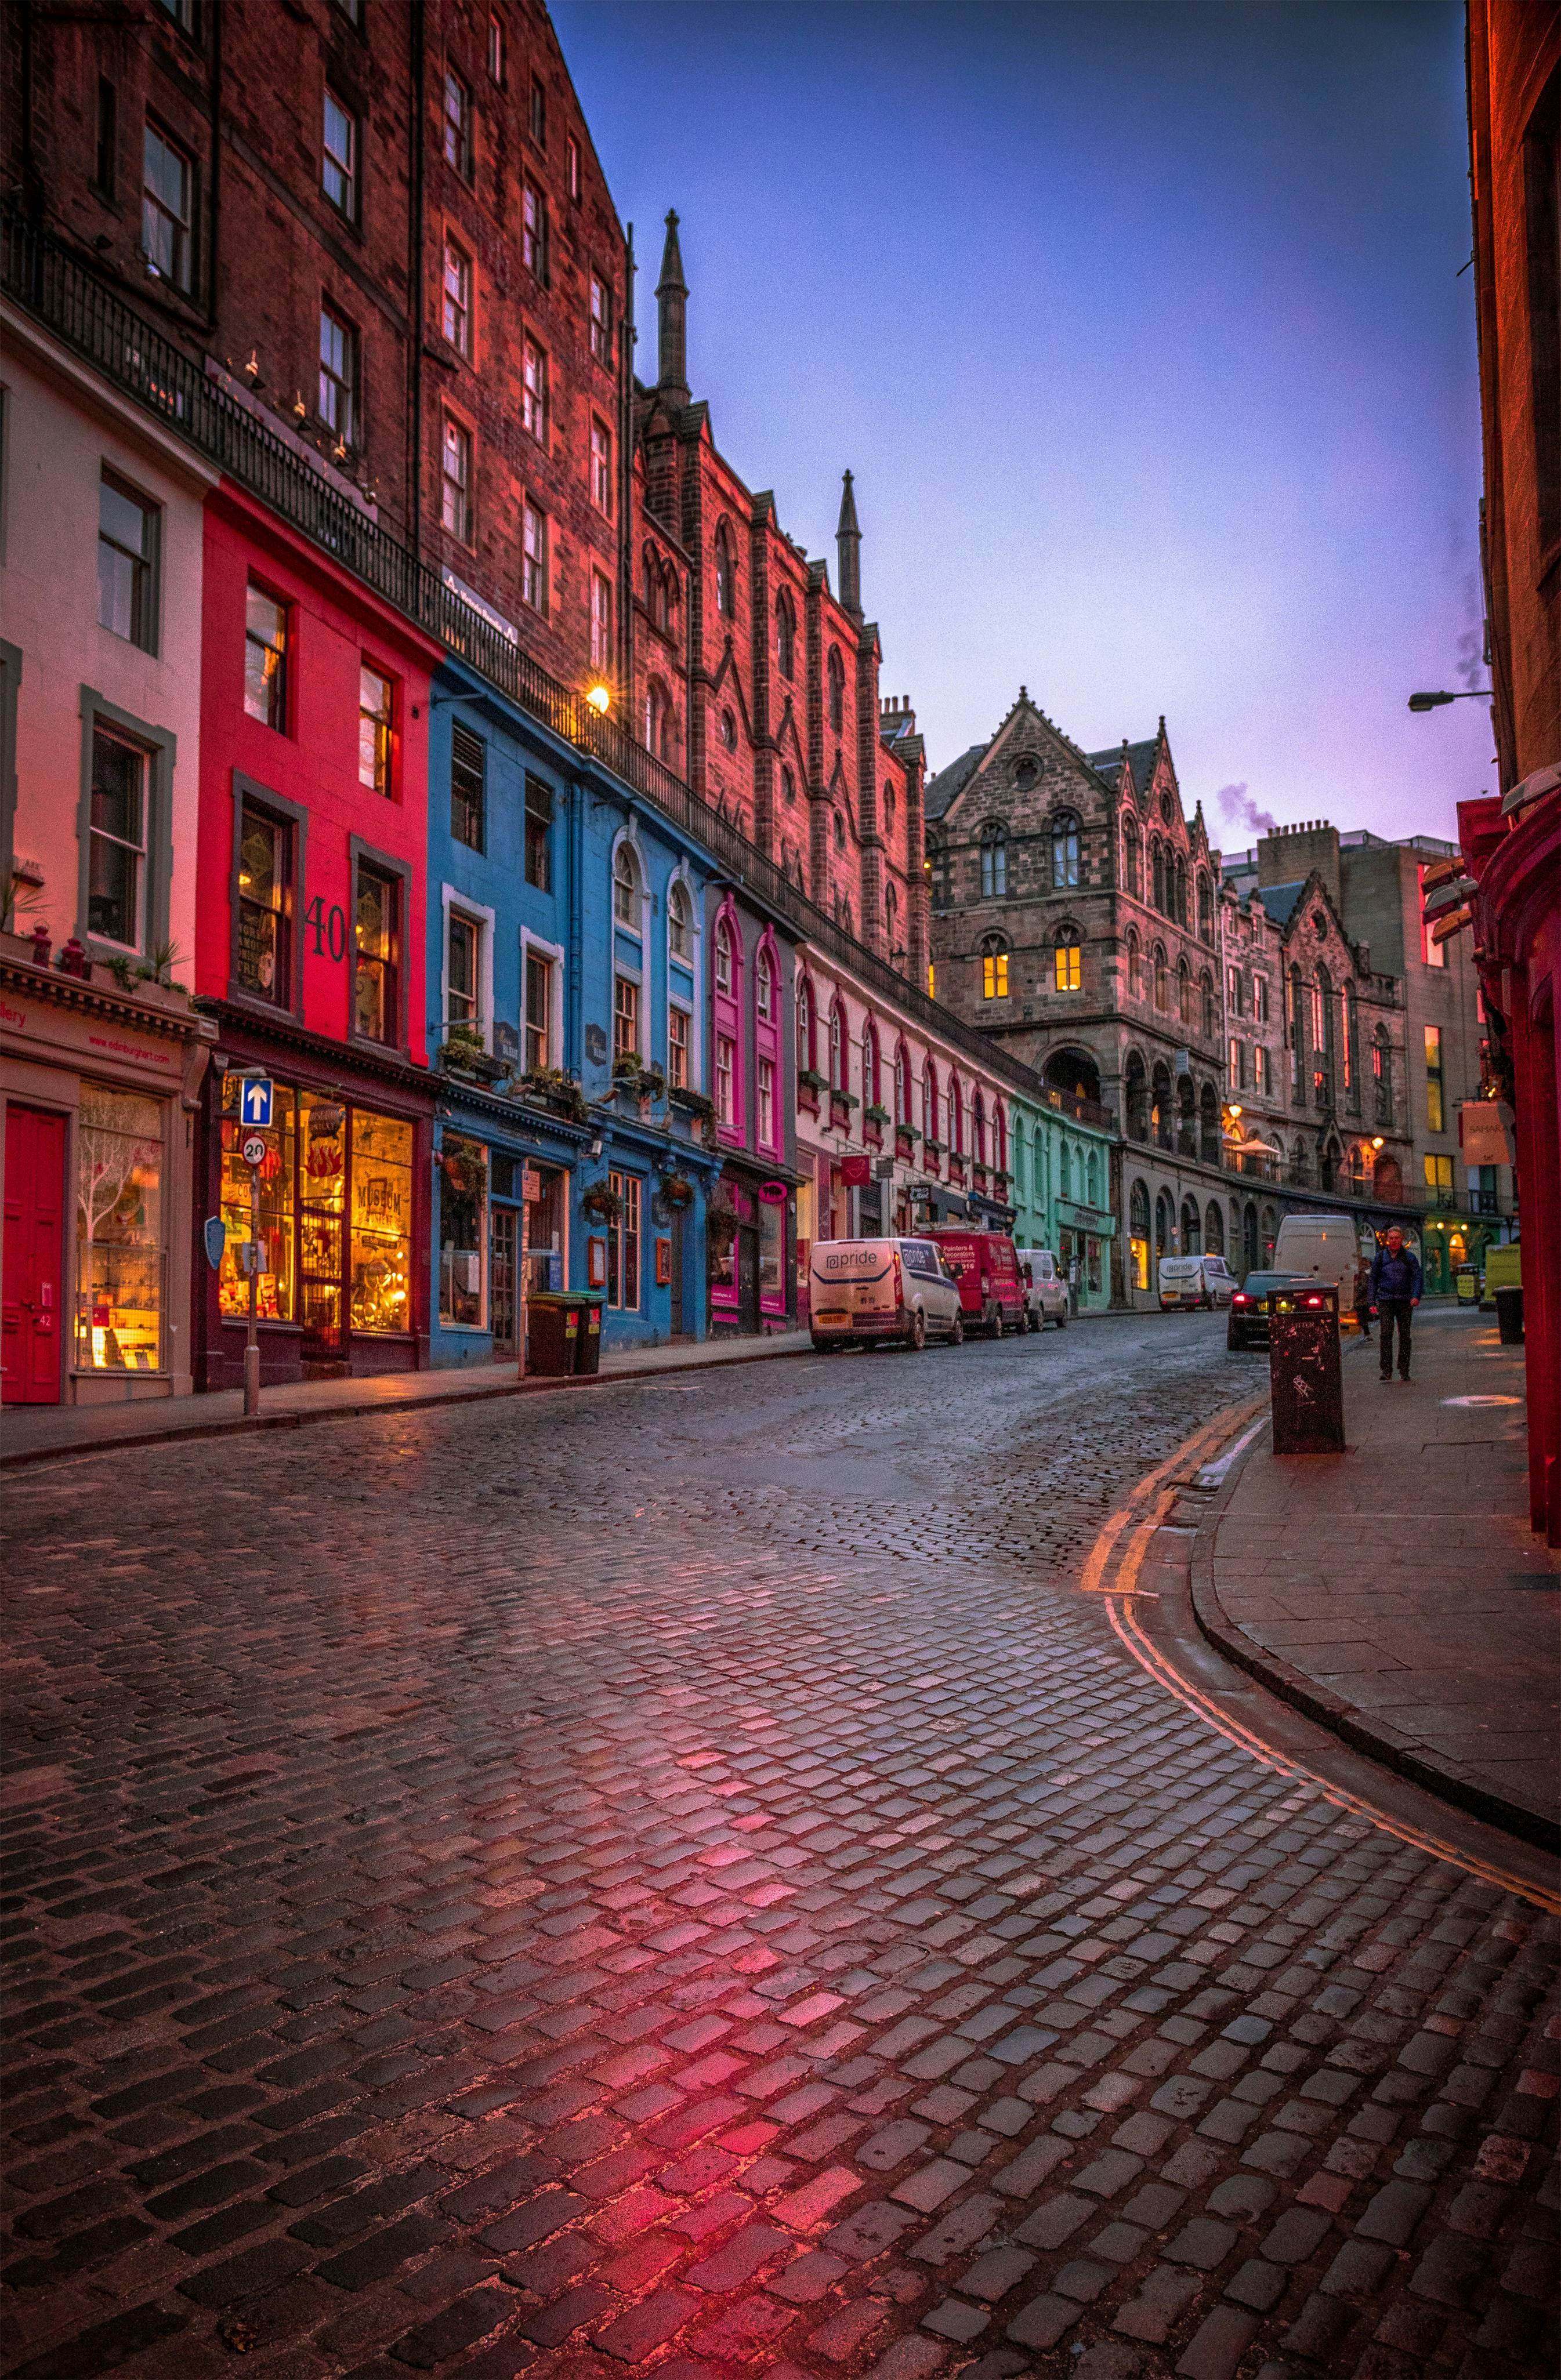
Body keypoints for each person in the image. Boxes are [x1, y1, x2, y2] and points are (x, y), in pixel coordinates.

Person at [1369, 1225, 1422, 1381]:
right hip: (1385, 1300)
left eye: (1397, 1238)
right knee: (1386, 1335)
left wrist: (1415, 1295)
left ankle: (1404, 1369)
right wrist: (1371, 1301)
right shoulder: (1380, 1258)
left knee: (1405, 1336)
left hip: (1405, 1301)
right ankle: (1386, 1370)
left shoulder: (1410, 1257)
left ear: (1401, 1240)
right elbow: (1373, 1279)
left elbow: (1417, 1278)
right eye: (1391, 1238)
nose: (1394, 1241)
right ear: (1387, 1240)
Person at [1352, 1256, 1374, 1343]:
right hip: (1367, 1298)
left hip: (1362, 1299)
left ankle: (1367, 1335)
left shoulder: (1363, 1272)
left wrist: (1358, 1293)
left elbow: (1364, 1285)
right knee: (1364, 1316)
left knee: (1362, 1317)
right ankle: (1366, 1334)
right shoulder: (1369, 1270)